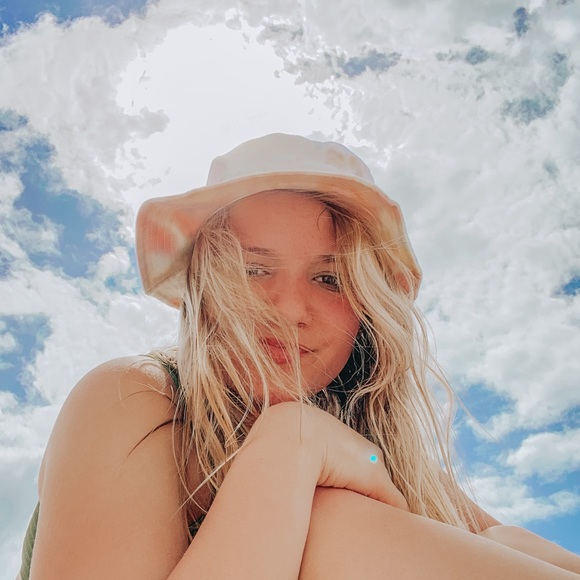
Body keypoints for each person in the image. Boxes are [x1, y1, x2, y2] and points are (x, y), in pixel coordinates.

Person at [20, 134, 580, 579]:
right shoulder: (135, 398)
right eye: (254, 270)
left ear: (366, 313)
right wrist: (290, 445)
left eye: (330, 279)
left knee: (505, 539)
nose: (290, 309)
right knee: (329, 523)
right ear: (205, 289)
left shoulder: (375, 454)